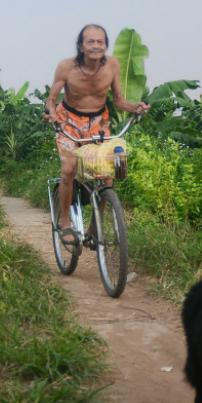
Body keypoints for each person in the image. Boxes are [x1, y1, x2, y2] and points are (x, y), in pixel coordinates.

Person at [43, 24, 150, 245]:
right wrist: (50, 114)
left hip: (99, 122)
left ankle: (94, 227)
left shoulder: (113, 65)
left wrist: (135, 107)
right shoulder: (66, 67)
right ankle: (65, 224)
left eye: (100, 42)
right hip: (69, 120)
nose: (95, 46)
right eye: (90, 42)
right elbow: (51, 100)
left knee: (109, 173)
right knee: (69, 168)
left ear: (106, 45)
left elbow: (119, 100)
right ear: (81, 46)